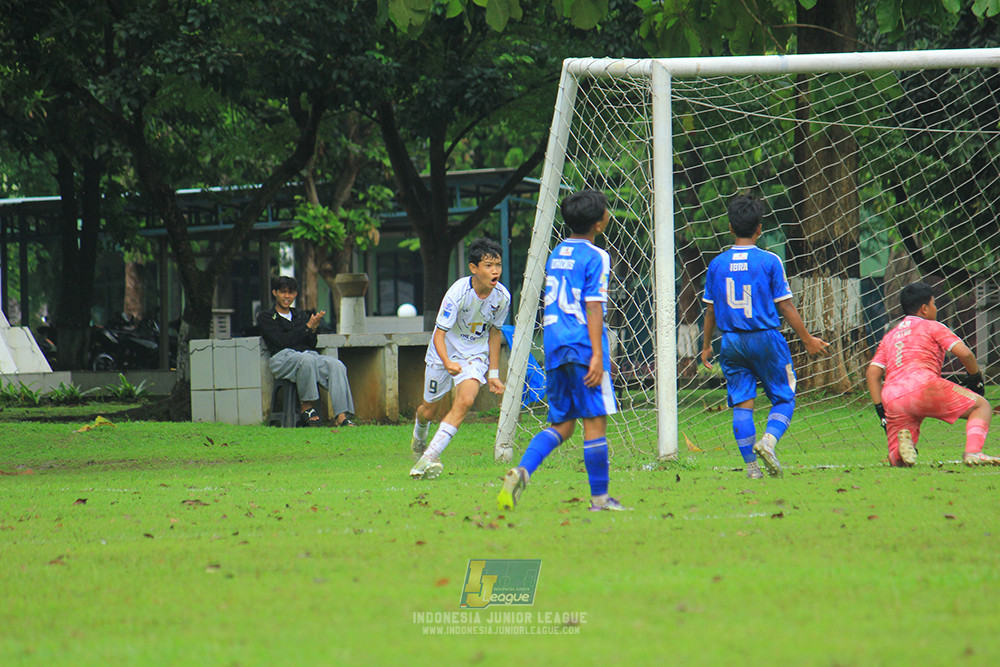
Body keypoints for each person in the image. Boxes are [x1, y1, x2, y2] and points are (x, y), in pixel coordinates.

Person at [497, 189, 626, 512]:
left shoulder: (557, 252)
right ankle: (600, 499)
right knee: (594, 422)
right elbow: (594, 306)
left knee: (563, 425)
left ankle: (522, 470)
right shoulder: (597, 256)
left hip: (554, 345)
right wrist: (597, 354)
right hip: (582, 345)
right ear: (599, 223)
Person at [700, 194, 829, 479]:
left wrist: (707, 345)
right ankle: (768, 442)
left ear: (730, 228)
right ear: (760, 228)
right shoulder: (770, 261)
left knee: (742, 403)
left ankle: (752, 469)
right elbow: (785, 305)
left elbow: (710, 311)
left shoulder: (717, 264)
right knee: (784, 397)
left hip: (731, 341)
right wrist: (807, 338)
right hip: (765, 338)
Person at [866, 281, 1000, 467]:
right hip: (923, 385)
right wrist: (976, 379)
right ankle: (973, 452)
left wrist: (880, 409)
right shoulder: (933, 326)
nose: (935, 308)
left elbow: (873, 373)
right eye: (934, 304)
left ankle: (899, 450)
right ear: (924, 309)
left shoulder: (890, 336)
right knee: (982, 407)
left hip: (893, 397)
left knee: (898, 460)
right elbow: (966, 354)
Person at [409, 238, 510, 479]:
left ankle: (427, 458)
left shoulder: (502, 298)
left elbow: (495, 333)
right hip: (442, 353)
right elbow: (439, 335)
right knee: (429, 412)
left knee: (465, 401)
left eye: (498, 265)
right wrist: (447, 363)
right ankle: (419, 438)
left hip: (474, 355)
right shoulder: (458, 293)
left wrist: (493, 374)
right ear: (474, 268)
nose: (495, 270)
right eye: (488, 265)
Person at [256, 276, 355, 427]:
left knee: (336, 365)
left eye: (291, 293)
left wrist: (312, 330)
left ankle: (341, 416)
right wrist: (306, 328)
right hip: (282, 359)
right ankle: (307, 408)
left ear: (295, 294)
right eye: (283, 292)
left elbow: (311, 344)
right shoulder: (267, 317)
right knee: (306, 360)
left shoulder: (300, 315)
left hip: (307, 356)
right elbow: (282, 341)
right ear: (275, 293)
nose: (287, 296)